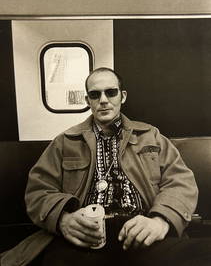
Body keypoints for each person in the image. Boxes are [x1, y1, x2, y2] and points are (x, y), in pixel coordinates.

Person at [1, 67, 211, 266]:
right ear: (87, 100)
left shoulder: (151, 136)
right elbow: (38, 191)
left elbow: (181, 182)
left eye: (111, 92)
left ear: (123, 96)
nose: (103, 100)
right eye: (95, 95)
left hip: (142, 231)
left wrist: (160, 221)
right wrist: (64, 220)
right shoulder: (65, 142)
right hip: (85, 238)